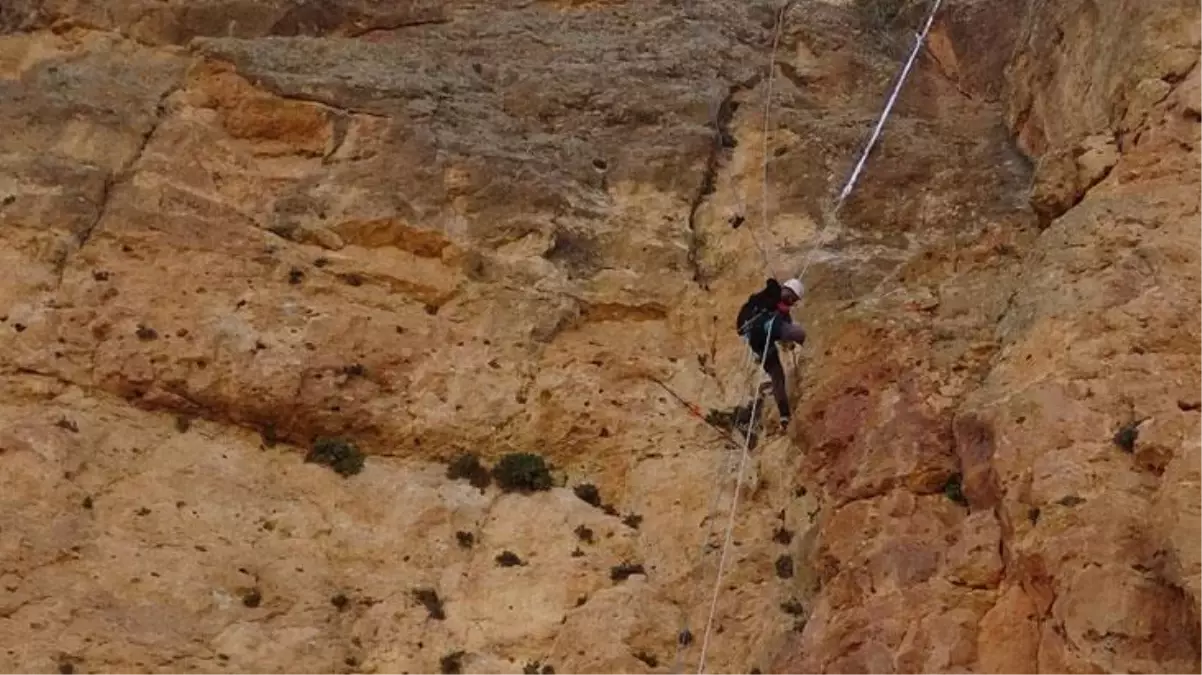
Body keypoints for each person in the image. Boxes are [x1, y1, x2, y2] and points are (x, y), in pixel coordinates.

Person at [735, 277, 807, 431]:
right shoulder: (772, 293)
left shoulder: (782, 307)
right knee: (799, 333)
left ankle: (784, 415)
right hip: (763, 328)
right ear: (786, 290)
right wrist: (777, 304)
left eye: (793, 300)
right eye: (791, 297)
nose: (791, 301)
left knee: (777, 374)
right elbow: (769, 295)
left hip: (759, 341)